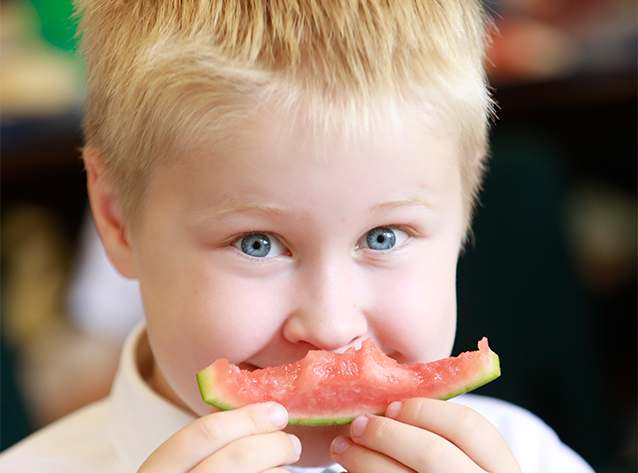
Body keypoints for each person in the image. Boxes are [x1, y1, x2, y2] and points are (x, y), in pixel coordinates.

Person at [0, 1, 594, 472]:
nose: (331, 327)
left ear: (468, 202)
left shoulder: (531, 458)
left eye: (384, 236)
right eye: (258, 243)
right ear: (116, 218)